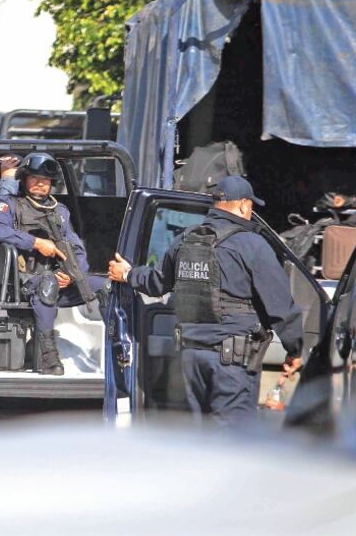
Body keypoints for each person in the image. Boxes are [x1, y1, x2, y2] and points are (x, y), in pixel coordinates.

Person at [107, 175, 304, 428]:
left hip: (191, 357)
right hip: (231, 363)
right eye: (251, 206)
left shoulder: (184, 240)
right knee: (232, 438)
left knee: (201, 437)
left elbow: (158, 283)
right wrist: (295, 349)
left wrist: (128, 274)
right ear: (243, 205)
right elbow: (280, 305)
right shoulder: (253, 245)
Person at [0, 153, 104, 375]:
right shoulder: (8, 204)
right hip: (23, 281)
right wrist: (36, 243)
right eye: (35, 178)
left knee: (106, 287)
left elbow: (77, 250)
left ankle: (118, 350)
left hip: (59, 278)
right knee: (47, 284)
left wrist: (70, 275)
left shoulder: (60, 211)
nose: (41, 183)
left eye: (46, 180)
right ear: (23, 179)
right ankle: (49, 357)